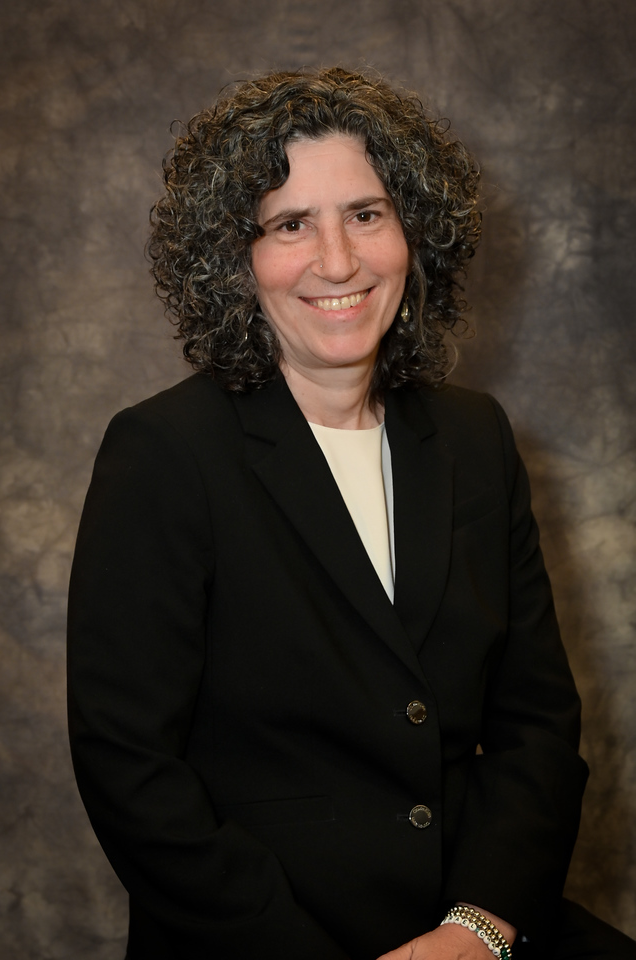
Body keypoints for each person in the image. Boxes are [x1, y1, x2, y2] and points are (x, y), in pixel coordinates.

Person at [67, 67, 636, 960]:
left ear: (415, 229)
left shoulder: (473, 436)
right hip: (261, 935)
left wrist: (477, 928)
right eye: (290, 224)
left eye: (366, 214)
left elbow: (536, 729)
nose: (338, 261)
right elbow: (127, 768)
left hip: (468, 920)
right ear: (234, 258)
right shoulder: (164, 453)